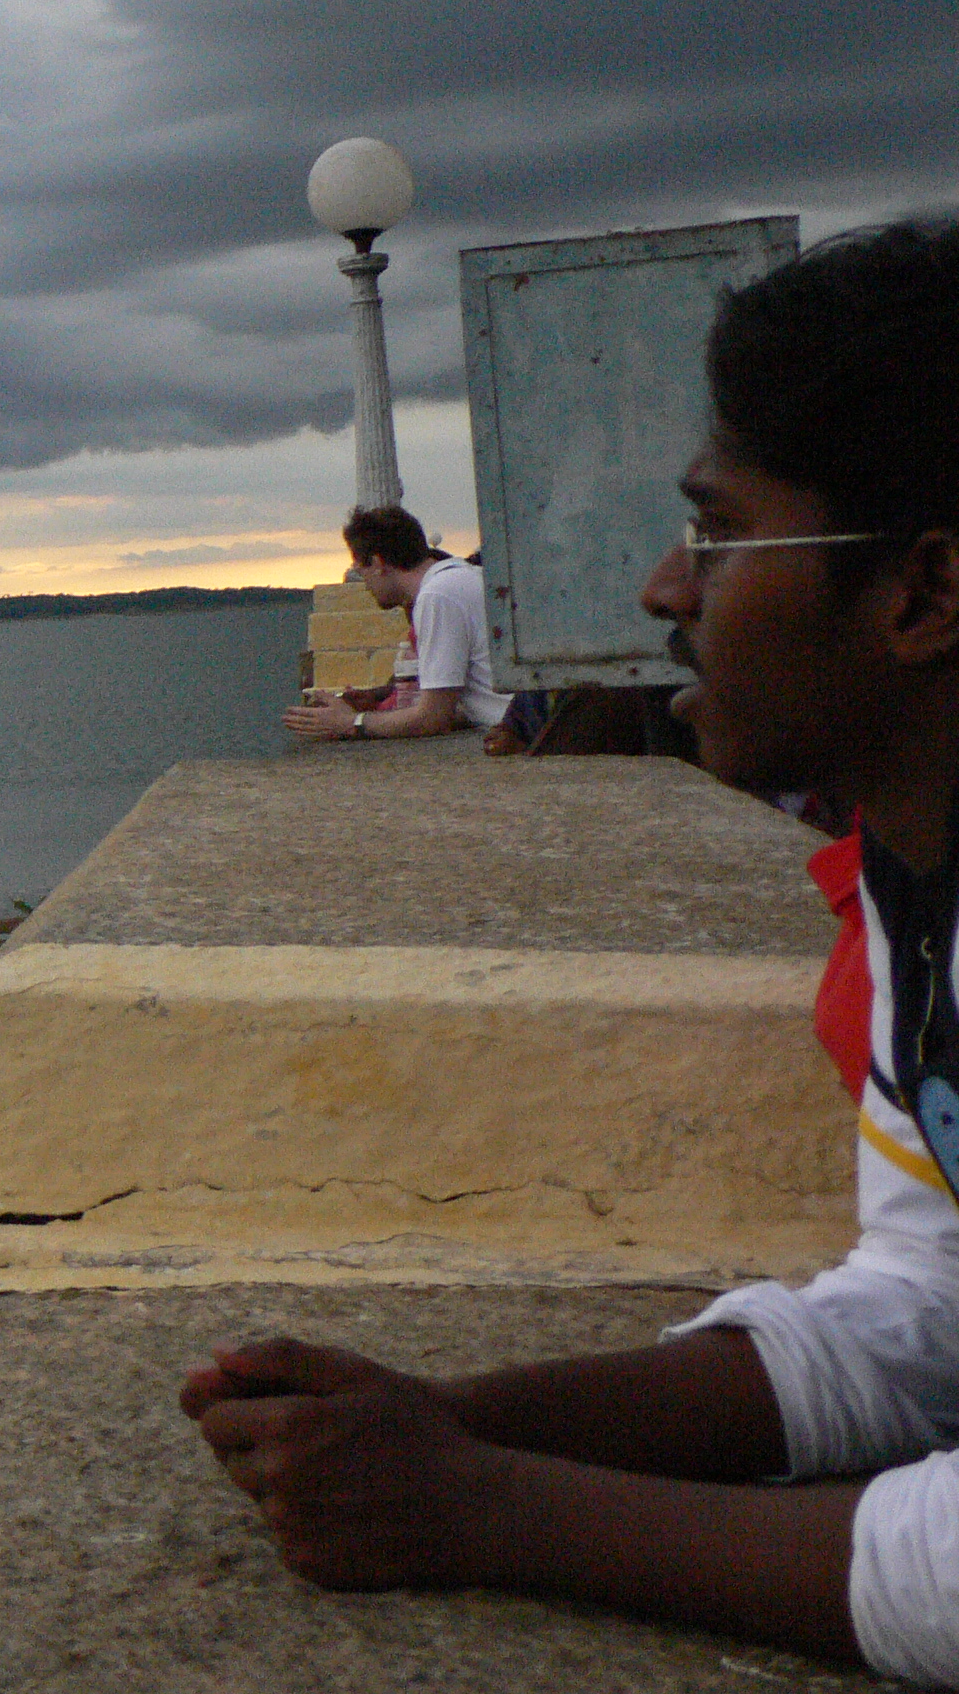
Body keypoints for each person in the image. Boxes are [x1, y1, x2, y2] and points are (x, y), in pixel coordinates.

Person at [181, 215, 959, 1675]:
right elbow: (928, 1316)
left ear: (922, 594)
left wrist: (491, 1508)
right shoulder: (916, 893)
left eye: (722, 533)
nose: (665, 588)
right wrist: (455, 1422)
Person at [279, 506, 510, 741]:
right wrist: (376, 703)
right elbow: (462, 705)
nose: (366, 585)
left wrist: (349, 722)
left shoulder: (437, 596)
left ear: (378, 563)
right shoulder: (464, 578)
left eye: (361, 572)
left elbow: (433, 717)